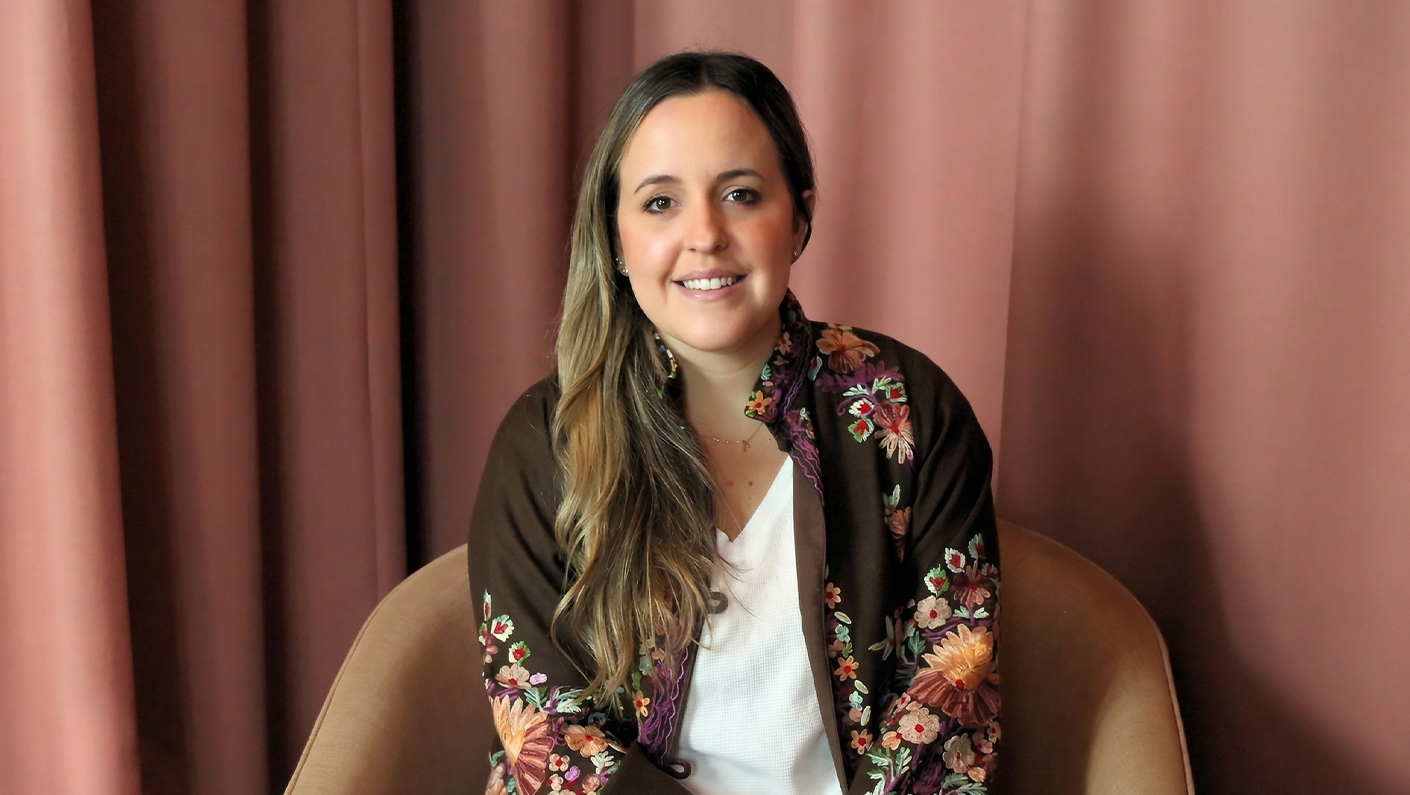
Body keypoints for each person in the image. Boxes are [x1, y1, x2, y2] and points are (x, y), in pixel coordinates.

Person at [468, 51, 1000, 795]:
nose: (706, 234)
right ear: (616, 240)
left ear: (800, 215)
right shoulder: (546, 442)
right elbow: (550, 737)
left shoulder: (911, 412)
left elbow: (946, 697)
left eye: (742, 193)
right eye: (660, 203)